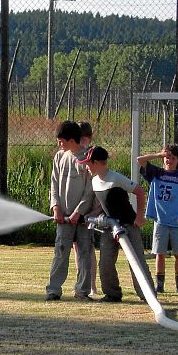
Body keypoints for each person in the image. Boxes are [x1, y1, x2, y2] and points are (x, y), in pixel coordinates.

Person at [78, 146, 155, 303]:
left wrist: (139, 217)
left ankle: (147, 294)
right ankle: (112, 294)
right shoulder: (94, 181)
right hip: (109, 227)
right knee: (105, 262)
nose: (86, 167)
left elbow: (140, 192)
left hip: (127, 225)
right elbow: (102, 204)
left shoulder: (116, 178)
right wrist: (90, 216)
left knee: (136, 261)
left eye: (88, 164)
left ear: (97, 163)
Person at [137, 144, 178, 294]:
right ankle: (160, 285)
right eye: (167, 157)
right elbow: (140, 160)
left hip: (177, 222)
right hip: (160, 220)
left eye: (173, 158)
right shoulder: (156, 173)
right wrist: (158, 155)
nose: (169, 160)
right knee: (160, 253)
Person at [46, 120, 94, 301]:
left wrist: (79, 212)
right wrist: (56, 207)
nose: (59, 144)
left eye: (61, 141)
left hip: (83, 219)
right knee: (61, 252)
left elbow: (90, 190)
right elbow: (54, 184)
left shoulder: (87, 158)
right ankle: (53, 290)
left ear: (72, 140)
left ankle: (82, 291)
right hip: (63, 217)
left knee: (84, 254)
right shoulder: (59, 157)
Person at [72, 121, 99, 297]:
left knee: (87, 248)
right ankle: (81, 281)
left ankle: (92, 285)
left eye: (83, 138)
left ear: (88, 139)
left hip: (87, 210)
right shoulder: (69, 155)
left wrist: (84, 210)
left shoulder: (92, 156)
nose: (81, 142)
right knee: (77, 248)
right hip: (72, 209)